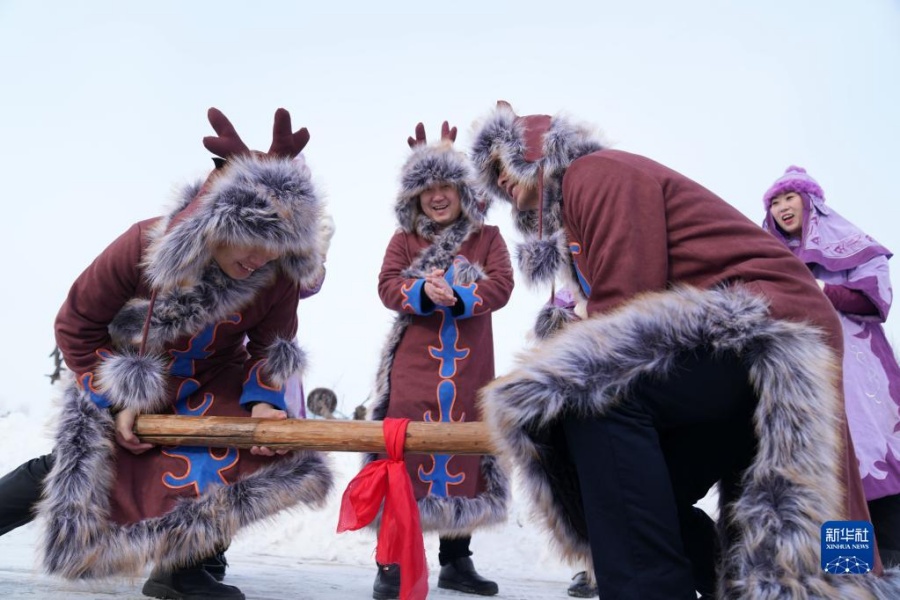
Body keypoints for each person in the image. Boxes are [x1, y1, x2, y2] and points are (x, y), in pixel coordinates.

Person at [471, 102, 900, 599]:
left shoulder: (596, 172)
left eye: (505, 163)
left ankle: (652, 590)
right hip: (728, 341)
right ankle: (732, 577)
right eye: (492, 176)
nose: (501, 180)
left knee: (597, 404)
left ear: (534, 152)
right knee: (612, 482)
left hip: (765, 326)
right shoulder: (574, 224)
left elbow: (628, 300)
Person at [0, 107, 335, 600]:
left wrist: (265, 404)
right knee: (79, 467)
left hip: (210, 379)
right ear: (214, 219)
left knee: (223, 452)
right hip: (123, 373)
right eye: (254, 237)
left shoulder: (278, 275)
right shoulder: (140, 243)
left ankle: (183, 572)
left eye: (277, 244)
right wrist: (115, 397)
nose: (262, 257)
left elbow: (272, 347)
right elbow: (76, 324)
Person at [366, 122, 514, 599]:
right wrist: (421, 292)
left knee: (464, 454)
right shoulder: (403, 240)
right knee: (402, 453)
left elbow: (502, 286)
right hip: (413, 370)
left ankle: (456, 562)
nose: (436, 197)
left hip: (470, 368)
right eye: (426, 188)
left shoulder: (488, 238)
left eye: (445, 186)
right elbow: (388, 286)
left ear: (461, 190)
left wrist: (463, 294)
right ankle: (391, 564)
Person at [763, 165, 900, 566]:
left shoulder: (852, 245)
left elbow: (875, 299)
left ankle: (890, 562)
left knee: (873, 457)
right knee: (827, 466)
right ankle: (847, 569)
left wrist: (819, 288)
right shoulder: (768, 257)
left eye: (789, 197)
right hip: (802, 373)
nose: (782, 207)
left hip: (860, 373)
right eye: (774, 201)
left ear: (810, 203)